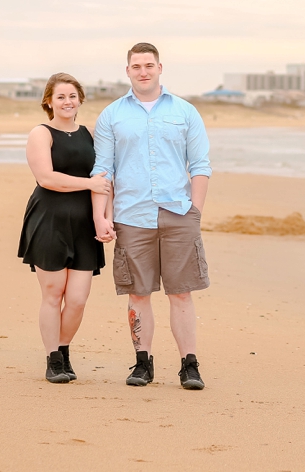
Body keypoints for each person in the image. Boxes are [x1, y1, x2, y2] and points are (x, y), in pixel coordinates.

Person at [91, 43, 211, 390]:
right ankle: (142, 363)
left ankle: (189, 365)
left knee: (182, 292)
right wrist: (102, 216)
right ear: (127, 71)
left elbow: (201, 165)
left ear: (160, 68)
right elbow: (103, 170)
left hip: (179, 214)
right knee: (138, 293)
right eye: (136, 66)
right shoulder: (112, 115)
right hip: (131, 216)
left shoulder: (186, 111)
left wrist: (196, 211)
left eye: (149, 65)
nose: (143, 71)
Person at [18, 73, 112, 383]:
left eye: (72, 96)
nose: (67, 102)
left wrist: (106, 216)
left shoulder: (90, 134)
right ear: (49, 101)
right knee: (53, 293)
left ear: (80, 100)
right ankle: (53, 358)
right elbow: (46, 178)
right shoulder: (40, 134)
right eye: (60, 97)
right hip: (49, 219)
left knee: (78, 299)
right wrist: (89, 183)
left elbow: (106, 177)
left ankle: (64, 348)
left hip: (84, 222)